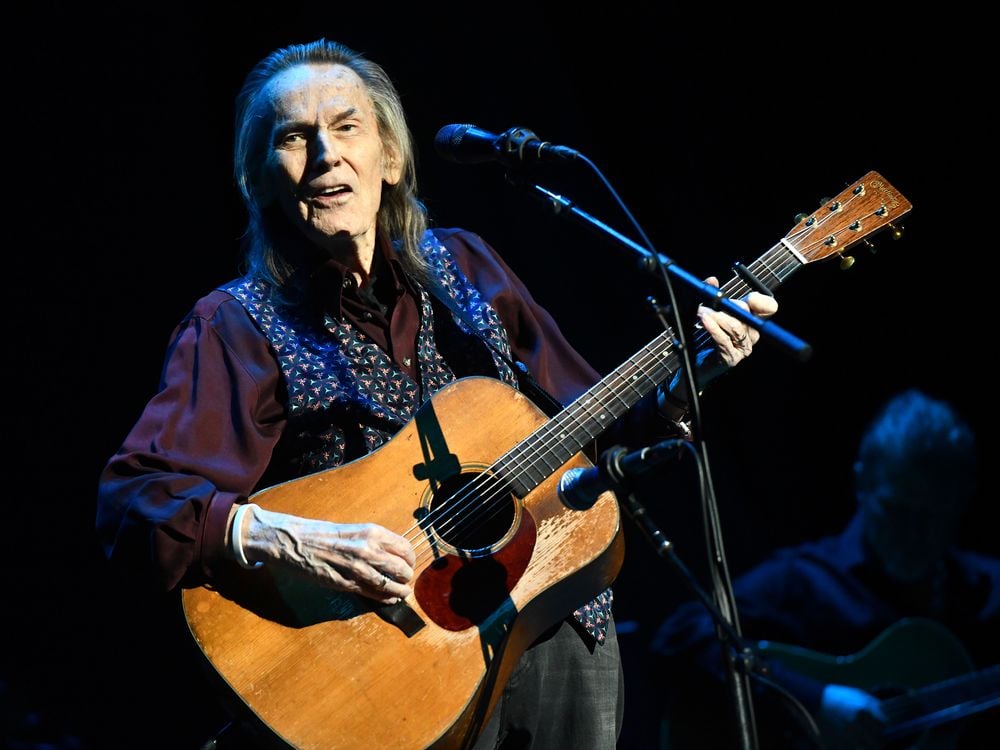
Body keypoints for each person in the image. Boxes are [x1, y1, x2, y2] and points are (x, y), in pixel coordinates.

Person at [95, 38, 777, 749]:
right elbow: (134, 499)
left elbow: (595, 423)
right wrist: (291, 538)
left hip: (558, 626)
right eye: (295, 137)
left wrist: (683, 378)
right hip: (387, 674)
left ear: (390, 160)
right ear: (257, 178)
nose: (326, 154)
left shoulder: (468, 268)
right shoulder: (236, 325)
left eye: (347, 126)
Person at [650, 388, 1000, 750]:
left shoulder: (988, 593)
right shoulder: (804, 579)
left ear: (961, 502)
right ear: (863, 483)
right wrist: (816, 701)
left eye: (932, 516)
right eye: (896, 509)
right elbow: (681, 635)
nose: (913, 533)